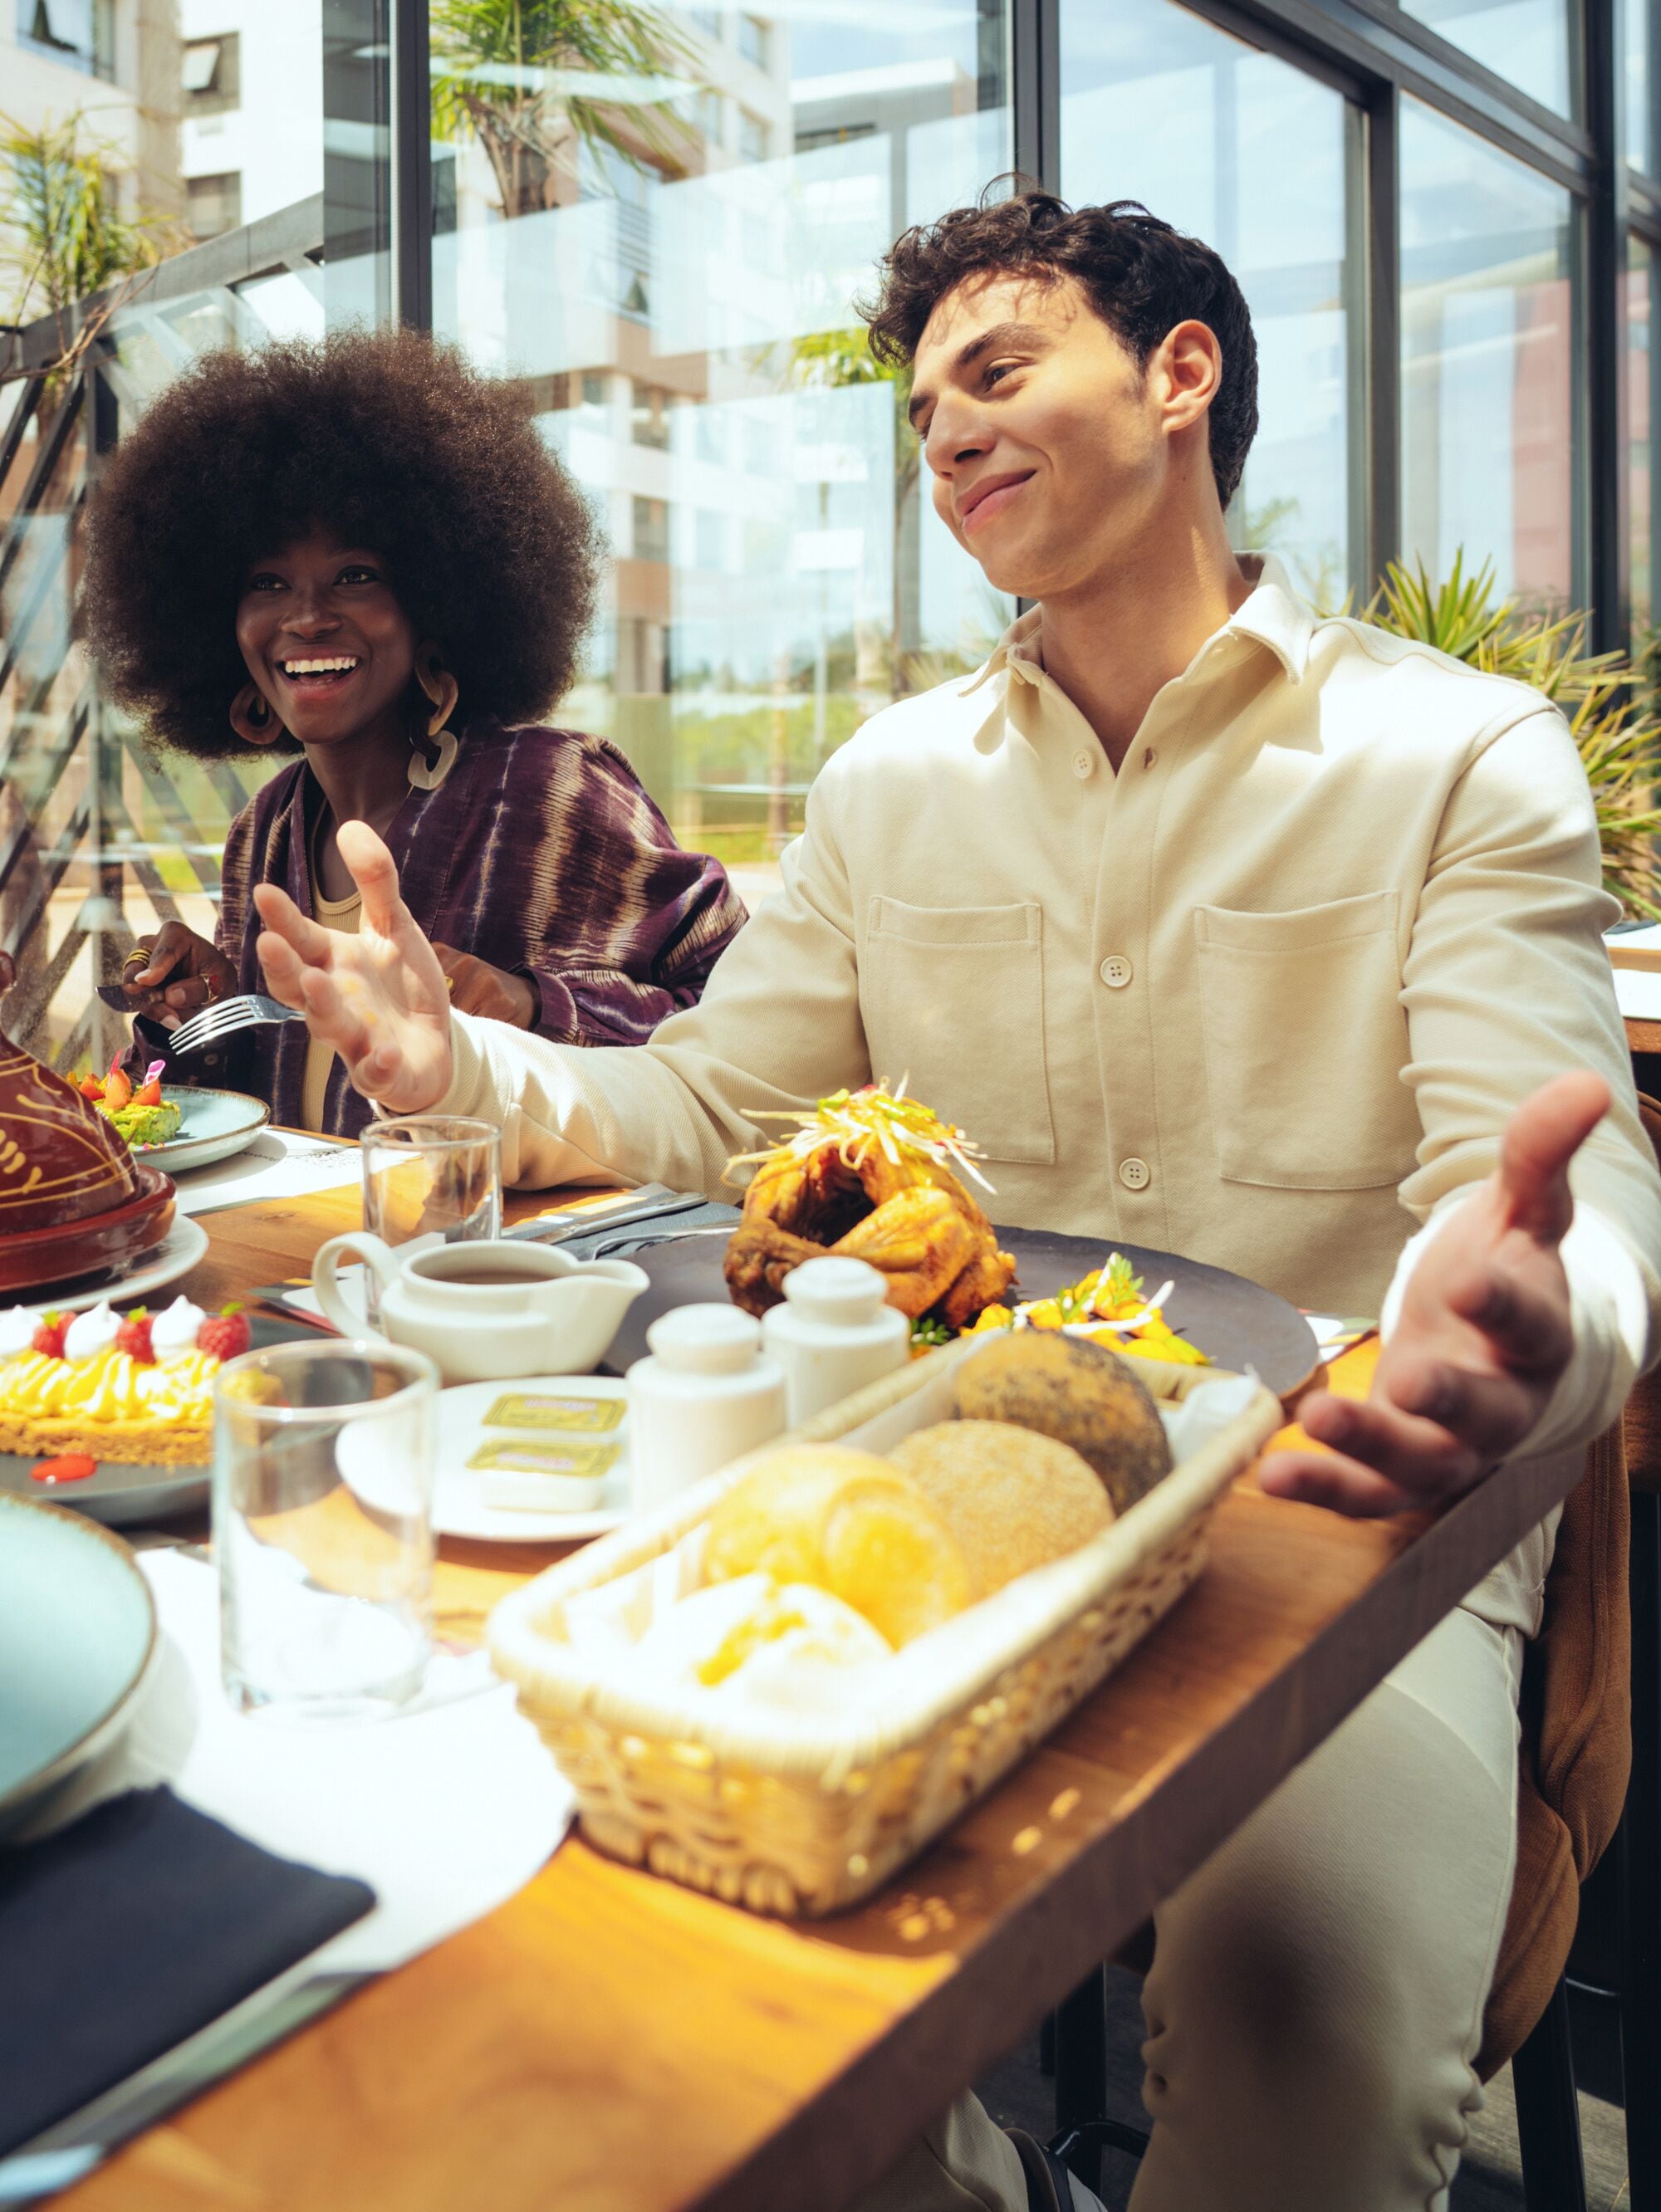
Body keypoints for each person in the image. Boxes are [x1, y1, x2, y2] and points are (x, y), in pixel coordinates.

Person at [252, 189, 1661, 2212]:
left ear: (1179, 376)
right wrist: (450, 1062)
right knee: (696, 1972)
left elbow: (1561, 1189)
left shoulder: (1453, 750)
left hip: (1339, 1524)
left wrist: (1521, 1305)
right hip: (943, 1489)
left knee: (1308, 2023)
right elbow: (714, 1099)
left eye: (995, 374)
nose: (946, 438)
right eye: (921, 413)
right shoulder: (884, 781)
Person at [78, 328, 744, 1138]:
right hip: (320, 1253)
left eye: (355, 575)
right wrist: (211, 1009)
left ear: (435, 600)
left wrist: (527, 1004)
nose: (307, 615)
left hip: (514, 1256)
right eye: (267, 582)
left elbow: (741, 1028)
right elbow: (274, 1114)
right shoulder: (266, 833)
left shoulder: (549, 788)